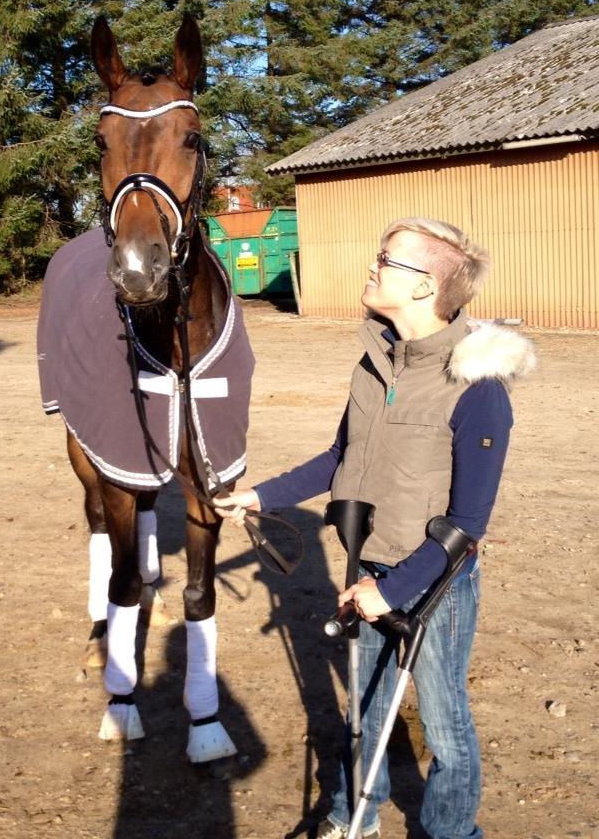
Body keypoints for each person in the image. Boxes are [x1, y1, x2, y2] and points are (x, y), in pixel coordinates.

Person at [213, 218, 534, 839]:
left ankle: (452, 832)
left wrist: (392, 591)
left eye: (385, 260)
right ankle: (353, 817)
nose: (372, 266)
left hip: (435, 582)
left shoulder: (478, 388)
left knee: (444, 725)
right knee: (367, 707)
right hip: (369, 565)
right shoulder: (375, 363)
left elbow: (468, 524)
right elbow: (340, 456)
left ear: (423, 286)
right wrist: (258, 496)